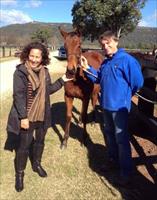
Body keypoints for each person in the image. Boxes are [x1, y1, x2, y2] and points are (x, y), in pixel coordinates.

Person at [4, 42, 72, 192]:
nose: (34, 59)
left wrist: (62, 81)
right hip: (27, 116)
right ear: (27, 56)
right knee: (23, 146)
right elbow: (18, 96)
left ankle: (37, 164)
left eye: (37, 57)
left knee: (40, 142)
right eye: (32, 56)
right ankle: (19, 174)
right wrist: (23, 118)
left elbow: (47, 91)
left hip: (43, 114)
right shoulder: (20, 72)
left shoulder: (45, 72)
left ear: (43, 58)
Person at [80, 31, 144, 186]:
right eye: (103, 44)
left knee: (122, 140)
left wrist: (125, 94)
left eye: (108, 43)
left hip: (119, 108)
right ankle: (112, 161)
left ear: (116, 41)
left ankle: (126, 173)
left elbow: (138, 82)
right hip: (106, 107)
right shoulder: (106, 62)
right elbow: (99, 78)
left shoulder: (127, 60)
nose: (105, 46)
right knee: (109, 135)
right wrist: (87, 67)